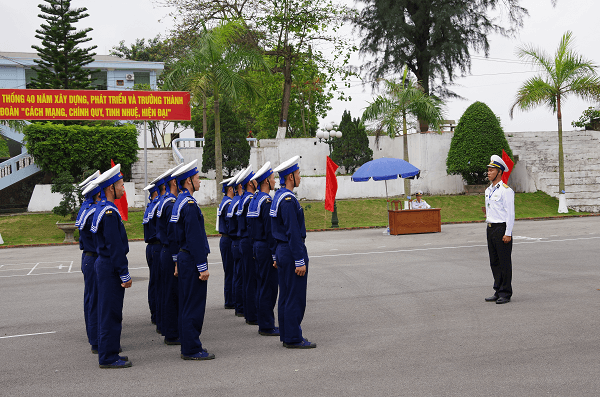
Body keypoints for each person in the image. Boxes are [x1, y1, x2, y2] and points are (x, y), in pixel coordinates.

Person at [170, 160, 215, 360]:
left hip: (184, 258)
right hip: (191, 259)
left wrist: (178, 261)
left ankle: (189, 345)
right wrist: (202, 267)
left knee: (187, 304)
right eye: (197, 178)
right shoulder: (188, 205)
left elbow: (175, 237)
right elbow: (194, 238)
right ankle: (191, 348)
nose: (200, 181)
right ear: (188, 180)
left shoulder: (180, 201)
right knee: (193, 305)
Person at [270, 156, 316, 348]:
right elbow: (293, 232)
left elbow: (272, 230)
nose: (300, 177)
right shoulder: (288, 200)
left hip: (282, 250)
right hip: (290, 251)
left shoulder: (278, 197)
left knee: (286, 295)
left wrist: (275, 254)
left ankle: (287, 334)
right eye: (298, 174)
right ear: (290, 177)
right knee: (294, 296)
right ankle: (293, 337)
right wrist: (299, 260)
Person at [91, 164, 132, 368]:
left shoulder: (105, 209)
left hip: (105, 265)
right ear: (110, 188)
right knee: (110, 312)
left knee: (110, 311)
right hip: (109, 267)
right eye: (121, 185)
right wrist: (124, 274)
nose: (123, 189)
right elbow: (115, 247)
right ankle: (108, 357)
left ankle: (111, 352)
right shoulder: (108, 212)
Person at [248, 162, 280, 337]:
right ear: (266, 181)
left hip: (256, 245)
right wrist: (275, 254)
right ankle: (267, 325)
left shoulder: (255, 199)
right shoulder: (266, 201)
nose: (275, 181)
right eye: (273, 178)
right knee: (268, 287)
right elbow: (270, 231)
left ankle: (263, 321)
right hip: (266, 247)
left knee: (261, 285)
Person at [155, 164, 184, 346]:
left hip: (163, 250)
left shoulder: (164, 201)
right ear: (174, 181)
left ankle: (168, 329)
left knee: (167, 292)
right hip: (170, 250)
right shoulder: (171, 204)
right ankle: (172, 333)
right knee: (173, 294)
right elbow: (173, 235)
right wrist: (175, 260)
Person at [75, 171, 100, 355]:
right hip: (93, 257)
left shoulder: (87, 208)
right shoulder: (92, 211)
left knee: (92, 299)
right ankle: (97, 339)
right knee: (95, 301)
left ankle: (95, 336)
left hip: (89, 257)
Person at [484, 154, 515, 305]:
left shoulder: (506, 190)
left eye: (491, 170)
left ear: (499, 172)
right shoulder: (488, 190)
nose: (488, 172)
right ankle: (497, 290)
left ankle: (505, 292)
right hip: (490, 228)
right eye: (488, 170)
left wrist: (507, 233)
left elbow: (510, 213)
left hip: (501, 228)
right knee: (494, 262)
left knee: (504, 262)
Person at [236, 166, 259, 326]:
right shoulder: (250, 199)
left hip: (242, 241)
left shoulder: (242, 199)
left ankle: (247, 311)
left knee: (247, 277)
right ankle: (252, 314)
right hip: (248, 241)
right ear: (250, 183)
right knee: (252, 278)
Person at [226, 169, 245, 318]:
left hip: (234, 241)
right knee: (242, 276)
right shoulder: (240, 202)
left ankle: (238, 305)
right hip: (239, 241)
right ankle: (241, 306)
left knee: (237, 275)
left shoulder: (233, 202)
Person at [217, 176, 236, 310]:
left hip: (225, 238)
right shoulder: (229, 203)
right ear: (230, 189)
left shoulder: (225, 201)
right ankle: (230, 300)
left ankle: (229, 298)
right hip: (228, 238)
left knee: (229, 270)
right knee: (231, 270)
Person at [142, 183, 159, 326]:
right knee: (160, 284)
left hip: (151, 247)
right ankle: (158, 315)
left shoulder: (150, 206)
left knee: (154, 283)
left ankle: (155, 314)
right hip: (157, 246)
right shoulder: (158, 206)